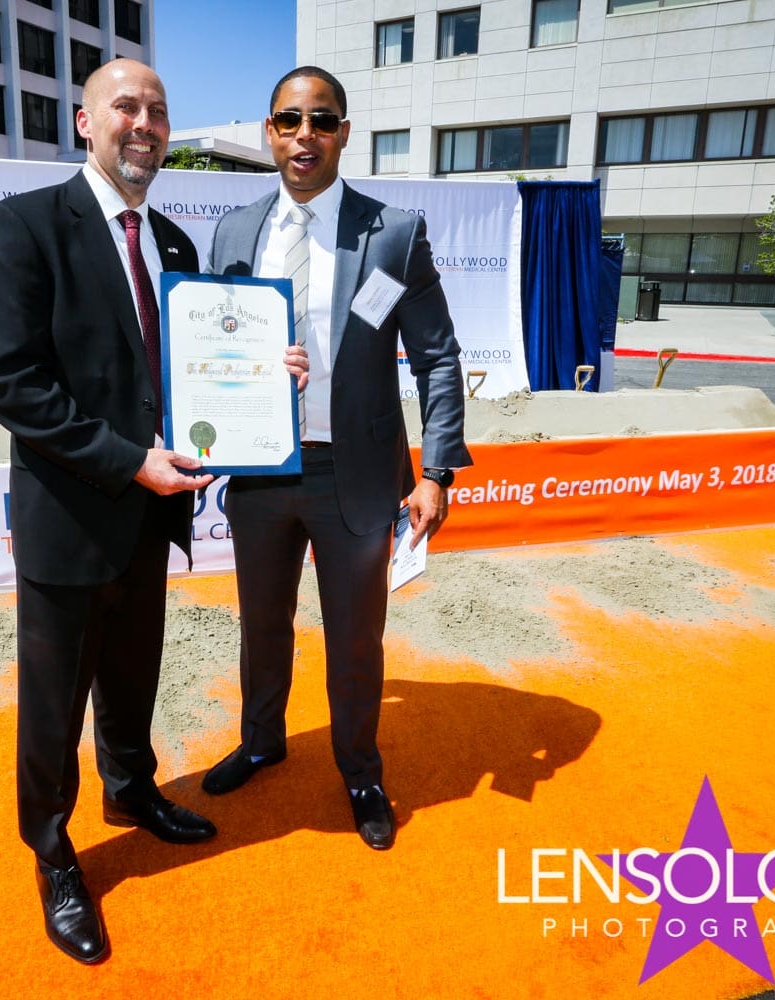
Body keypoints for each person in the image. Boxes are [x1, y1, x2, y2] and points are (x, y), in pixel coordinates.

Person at [0, 58, 218, 964]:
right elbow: (10, 383)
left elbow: (197, 375)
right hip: (70, 518)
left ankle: (131, 790)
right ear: (86, 122)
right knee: (53, 703)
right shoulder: (27, 225)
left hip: (151, 520)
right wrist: (130, 464)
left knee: (134, 673)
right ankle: (52, 850)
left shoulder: (178, 247)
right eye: (127, 105)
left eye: (158, 108)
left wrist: (264, 381)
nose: (145, 122)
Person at [201, 66, 473, 850]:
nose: (304, 136)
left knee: (356, 635)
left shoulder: (392, 233)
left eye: (322, 121)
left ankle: (359, 768)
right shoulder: (235, 234)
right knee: (262, 624)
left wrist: (437, 471)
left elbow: (439, 359)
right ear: (270, 131)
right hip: (258, 473)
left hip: (353, 474)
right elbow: (211, 358)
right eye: (289, 120)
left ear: (344, 133)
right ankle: (261, 739)